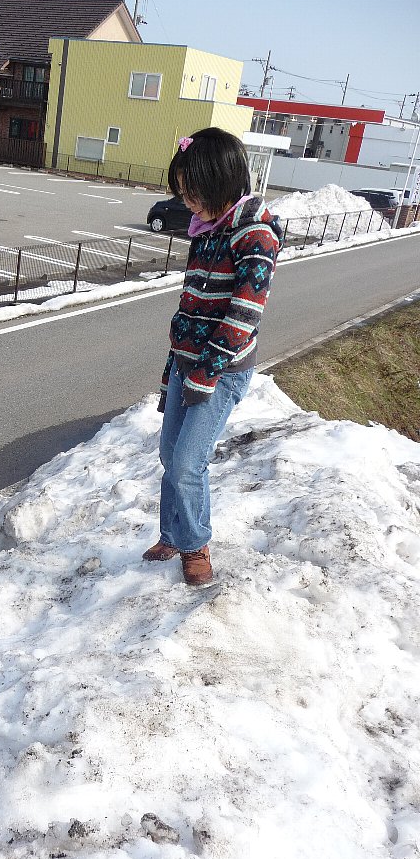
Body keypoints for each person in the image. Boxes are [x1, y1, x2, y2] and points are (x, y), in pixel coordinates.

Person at [143, 127, 282, 585]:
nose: (187, 203)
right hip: (186, 364)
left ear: (222, 181)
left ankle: (195, 544)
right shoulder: (205, 232)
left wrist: (206, 373)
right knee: (170, 455)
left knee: (188, 462)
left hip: (222, 370)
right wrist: (173, 372)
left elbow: (244, 315)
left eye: (193, 192)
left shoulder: (255, 235)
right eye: (183, 193)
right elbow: (189, 307)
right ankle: (172, 534)